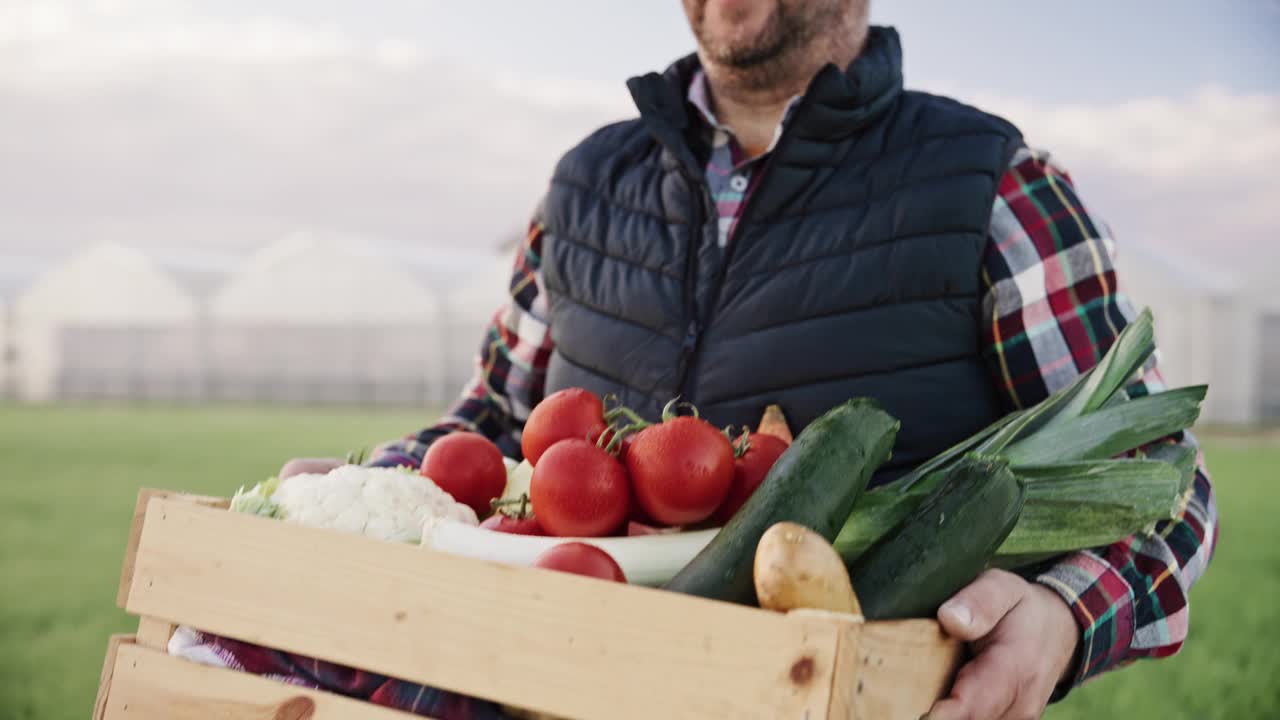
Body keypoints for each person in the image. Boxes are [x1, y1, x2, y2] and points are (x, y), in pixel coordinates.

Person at [282, 2, 1218, 717]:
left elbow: (1157, 480)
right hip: (549, 688)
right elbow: (488, 425)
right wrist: (376, 487)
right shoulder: (583, 185)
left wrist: (1065, 615)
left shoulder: (994, 185)